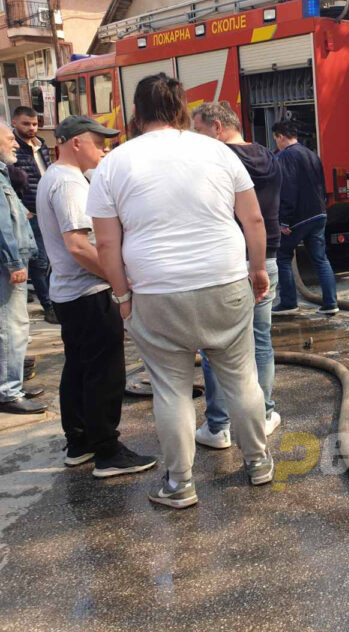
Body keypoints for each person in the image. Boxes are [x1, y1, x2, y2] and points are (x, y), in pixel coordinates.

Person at [87, 73, 273, 509]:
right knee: (242, 378)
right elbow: (254, 221)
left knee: (170, 389)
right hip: (224, 282)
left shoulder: (113, 163)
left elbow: (108, 243)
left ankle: (181, 484)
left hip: (156, 291)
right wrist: (258, 269)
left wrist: (121, 296)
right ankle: (260, 463)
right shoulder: (217, 151)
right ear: (183, 111)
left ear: (135, 114)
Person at [37, 116, 157, 475]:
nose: (105, 151)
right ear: (76, 142)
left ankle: (80, 443)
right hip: (88, 292)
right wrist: (120, 280)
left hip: (70, 293)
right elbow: (78, 246)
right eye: (98, 143)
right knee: (105, 372)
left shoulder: (56, 178)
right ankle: (108, 451)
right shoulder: (69, 183)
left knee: (79, 368)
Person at [192, 102, 282, 446]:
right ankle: (264, 412)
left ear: (216, 127)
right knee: (261, 341)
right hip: (267, 258)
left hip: (227, 264)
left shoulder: (216, 161)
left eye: (198, 130)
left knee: (217, 347)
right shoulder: (268, 156)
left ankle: (219, 425)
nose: (196, 139)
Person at [0, 122, 46, 414]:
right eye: (8, 139)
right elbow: (1, 225)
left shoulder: (3, 174)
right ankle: (8, 391)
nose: (15, 143)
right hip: (8, 267)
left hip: (12, 262)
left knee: (13, 327)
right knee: (11, 328)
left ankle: (11, 382)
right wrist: (14, 261)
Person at [272, 120, 338, 316]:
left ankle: (288, 302)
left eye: (276, 139)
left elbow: (287, 189)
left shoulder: (285, 156)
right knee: (320, 259)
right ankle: (330, 303)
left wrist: (283, 220)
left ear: (281, 136)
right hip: (319, 213)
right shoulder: (311, 154)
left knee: (282, 256)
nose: (277, 143)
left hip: (299, 217)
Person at [12, 106, 57, 324]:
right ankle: (48, 305)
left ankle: (53, 300)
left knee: (51, 259)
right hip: (30, 212)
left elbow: (46, 172)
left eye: (34, 124)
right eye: (26, 124)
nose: (31, 128)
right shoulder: (12, 149)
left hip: (48, 208)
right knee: (38, 260)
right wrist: (23, 210)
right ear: (14, 123)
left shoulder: (41, 145)